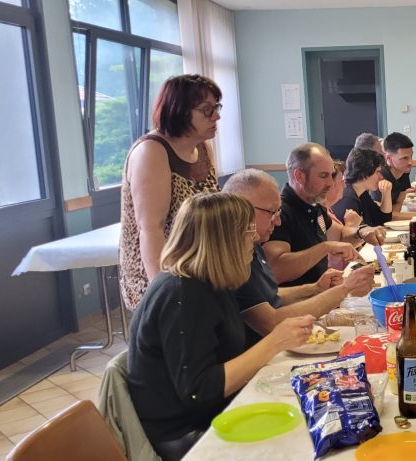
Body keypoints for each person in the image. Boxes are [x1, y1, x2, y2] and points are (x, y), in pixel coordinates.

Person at [127, 192, 314, 461]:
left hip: (218, 408)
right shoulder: (184, 294)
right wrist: (275, 342)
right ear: (223, 240)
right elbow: (198, 391)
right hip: (188, 433)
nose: (254, 238)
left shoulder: (210, 279)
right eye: (248, 230)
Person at [222, 169, 373, 345]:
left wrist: (315, 288)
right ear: (241, 208)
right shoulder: (234, 255)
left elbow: (269, 295)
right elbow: (271, 323)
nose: (277, 221)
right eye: (271, 212)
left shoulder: (254, 243)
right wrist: (345, 289)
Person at [119, 74, 221, 310]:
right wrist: (165, 293)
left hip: (197, 267)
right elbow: (151, 229)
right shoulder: (151, 151)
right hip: (160, 271)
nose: (216, 116)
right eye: (207, 110)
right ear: (180, 110)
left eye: (216, 107)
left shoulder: (203, 147)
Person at [264, 143, 385, 287]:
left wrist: (362, 232)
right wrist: (325, 248)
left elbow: (340, 236)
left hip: (321, 295)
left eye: (331, 175)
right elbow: (277, 270)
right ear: (300, 176)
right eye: (323, 176)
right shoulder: (280, 212)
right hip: (299, 304)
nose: (330, 183)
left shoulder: (314, 206)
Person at [333, 148, 394, 227]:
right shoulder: (348, 198)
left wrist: (386, 193)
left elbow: (382, 220)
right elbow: (352, 236)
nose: (381, 177)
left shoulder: (361, 193)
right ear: (364, 173)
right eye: (377, 172)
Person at [374, 132, 415, 220]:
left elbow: (396, 207)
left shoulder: (404, 170)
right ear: (388, 158)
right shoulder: (380, 177)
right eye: (404, 158)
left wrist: (400, 200)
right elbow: (383, 216)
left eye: (411, 156)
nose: (410, 162)